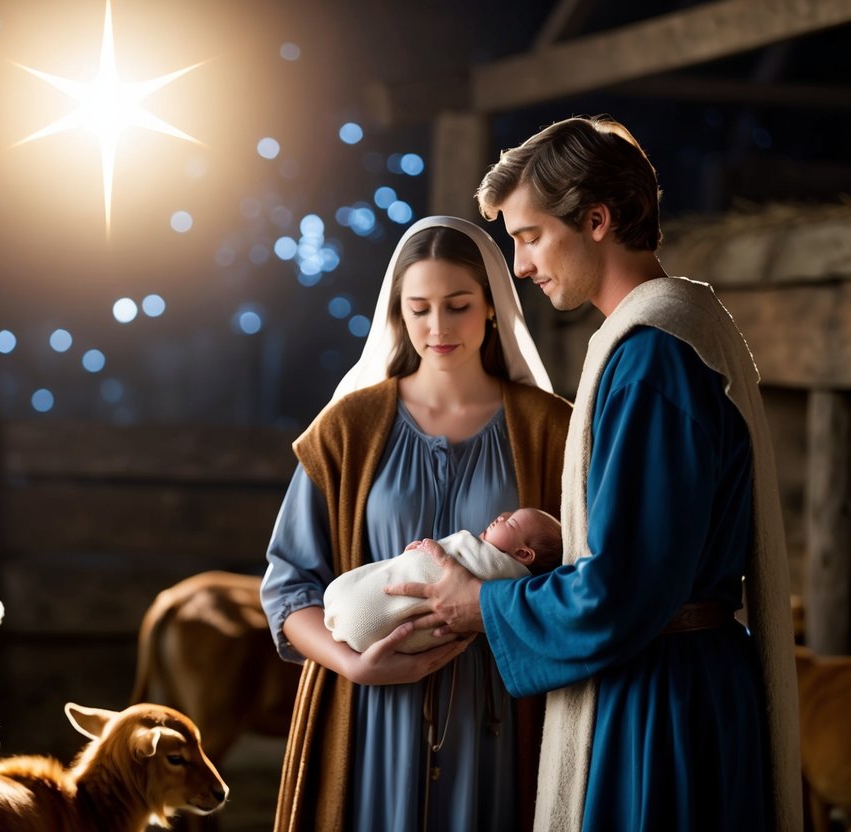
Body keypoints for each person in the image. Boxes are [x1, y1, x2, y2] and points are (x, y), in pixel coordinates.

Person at [386, 117, 802, 831]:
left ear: (596, 220)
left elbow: (623, 589)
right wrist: (567, 543)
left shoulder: (650, 360)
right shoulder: (679, 331)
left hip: (660, 705)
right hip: (685, 677)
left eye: (529, 236)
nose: (518, 266)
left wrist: (476, 603)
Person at [260, 215, 571, 831]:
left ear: (492, 307)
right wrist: (352, 665)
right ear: (397, 313)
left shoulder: (552, 430)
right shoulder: (348, 429)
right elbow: (289, 586)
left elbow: (585, 575)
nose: (437, 327)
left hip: (502, 719)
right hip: (366, 715)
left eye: (457, 305)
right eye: (418, 308)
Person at [324, 507, 562, 654]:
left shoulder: (503, 575)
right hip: (355, 655)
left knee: (397, 612)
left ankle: (360, 619)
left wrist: (432, 555)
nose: (501, 517)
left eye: (511, 522)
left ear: (523, 555)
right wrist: (419, 555)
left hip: (380, 640)